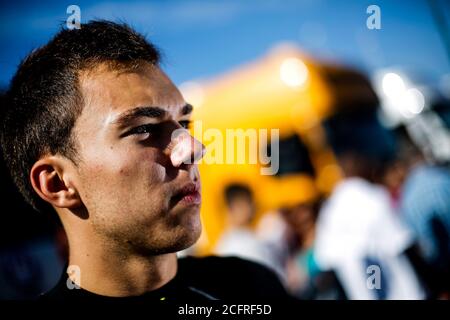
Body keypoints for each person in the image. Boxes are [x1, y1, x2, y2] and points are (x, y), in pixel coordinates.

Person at [0, 20, 288, 301]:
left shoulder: (250, 287)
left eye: (184, 124)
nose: (192, 148)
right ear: (57, 183)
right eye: (144, 129)